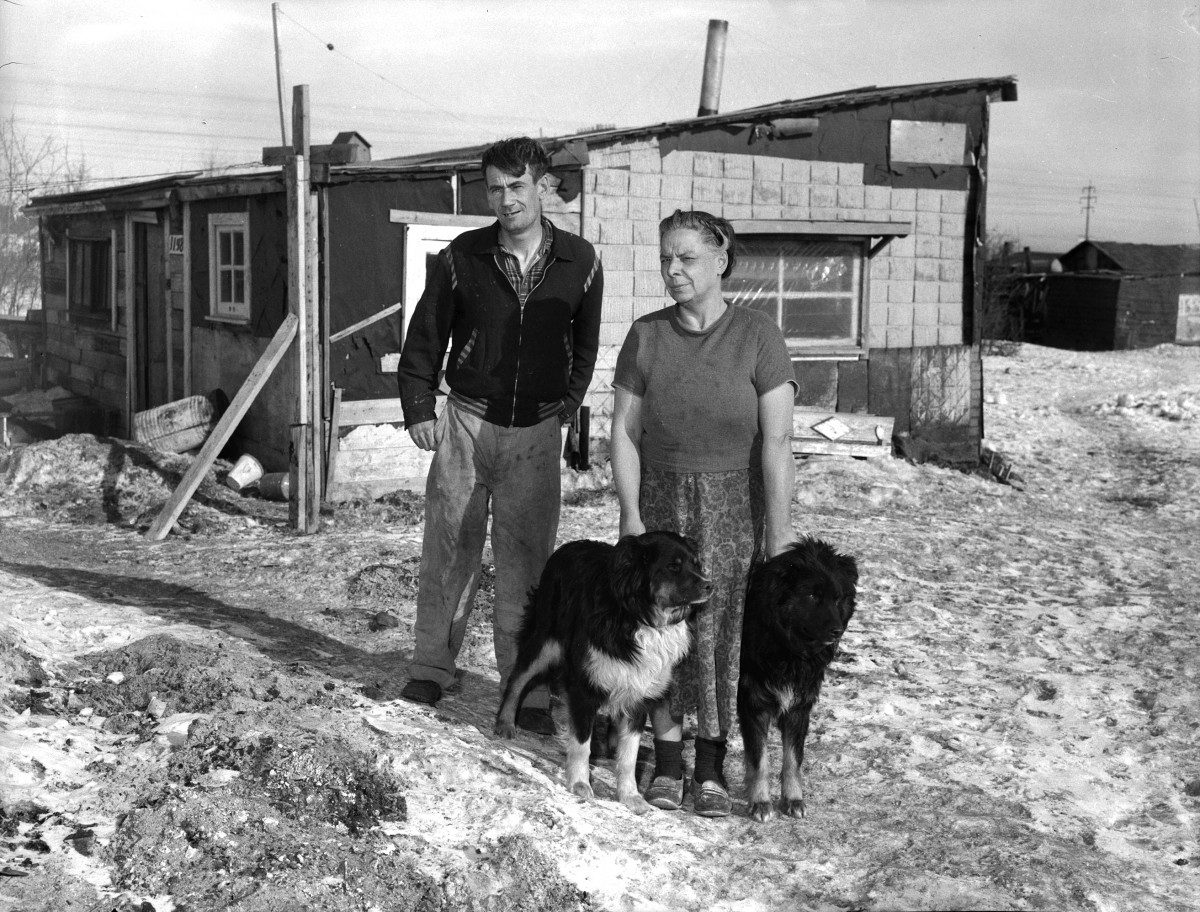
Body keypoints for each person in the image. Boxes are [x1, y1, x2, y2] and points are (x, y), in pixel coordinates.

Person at [396, 137, 604, 735]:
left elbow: (585, 346)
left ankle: (527, 690)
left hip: (535, 432)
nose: (506, 199)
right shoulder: (463, 256)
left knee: (527, 567)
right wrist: (419, 405)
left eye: (516, 186)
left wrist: (565, 407)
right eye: (494, 188)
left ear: (542, 186)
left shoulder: (580, 261)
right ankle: (431, 668)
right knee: (448, 551)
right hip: (466, 422)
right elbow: (426, 335)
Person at [610, 209, 796, 817]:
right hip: (662, 504)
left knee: (720, 634)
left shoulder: (758, 336)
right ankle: (667, 761)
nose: (673, 269)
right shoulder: (646, 336)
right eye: (666, 258)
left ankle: (711, 766)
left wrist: (780, 534)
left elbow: (777, 443)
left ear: (721, 260)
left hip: (733, 508)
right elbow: (624, 433)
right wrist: (631, 516)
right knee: (660, 630)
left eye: (686, 257)